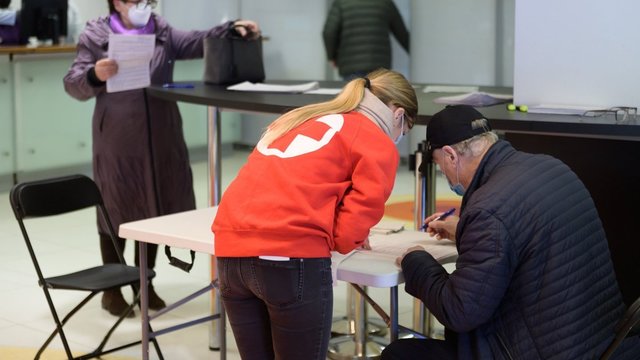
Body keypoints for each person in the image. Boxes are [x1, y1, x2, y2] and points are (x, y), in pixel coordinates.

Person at [381, 105, 640, 359]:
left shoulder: (488, 209)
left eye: (440, 165)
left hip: (542, 350)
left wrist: (415, 260)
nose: (444, 174)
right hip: (600, 342)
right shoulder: (552, 168)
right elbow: (524, 238)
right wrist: (462, 229)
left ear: (451, 155)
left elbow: (459, 311)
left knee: (397, 353)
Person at [63, 0, 259, 318]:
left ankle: (144, 283)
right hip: (118, 133)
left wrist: (231, 28)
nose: (143, 6)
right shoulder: (95, 33)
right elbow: (73, 84)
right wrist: (94, 75)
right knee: (116, 205)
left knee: (154, 206)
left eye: (148, 1)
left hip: (162, 130)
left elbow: (197, 40)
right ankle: (112, 290)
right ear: (116, 2)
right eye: (135, 1)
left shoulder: (161, 31)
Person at [212, 68, 418, 359]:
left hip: (230, 253)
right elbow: (355, 223)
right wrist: (346, 236)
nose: (398, 137)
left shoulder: (299, 118)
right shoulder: (375, 137)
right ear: (397, 115)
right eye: (404, 131)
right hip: (290, 258)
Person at [322, 0, 410, 80]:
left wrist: (332, 56)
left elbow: (329, 32)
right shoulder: (386, 3)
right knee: (379, 97)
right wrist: (419, 57)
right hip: (379, 67)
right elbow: (402, 34)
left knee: (355, 96)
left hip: (351, 66)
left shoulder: (341, 3)